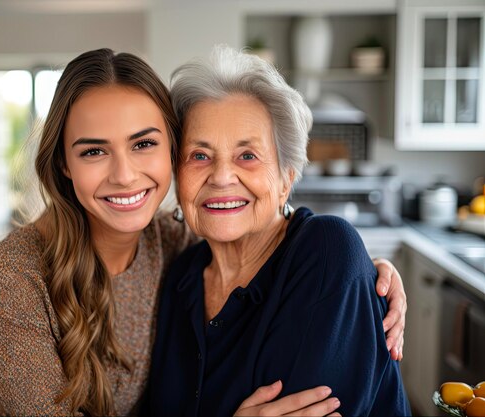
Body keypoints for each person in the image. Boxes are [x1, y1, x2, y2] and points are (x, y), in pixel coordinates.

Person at [0, 48, 407, 417]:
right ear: (64, 164)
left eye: (143, 144)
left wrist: (362, 276)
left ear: (288, 175)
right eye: (200, 155)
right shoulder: (177, 266)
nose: (124, 175)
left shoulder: (177, 248)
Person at [146, 45, 411, 417]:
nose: (221, 177)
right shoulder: (181, 279)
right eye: (200, 155)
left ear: (287, 177)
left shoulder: (326, 251)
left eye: (247, 156)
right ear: (178, 175)